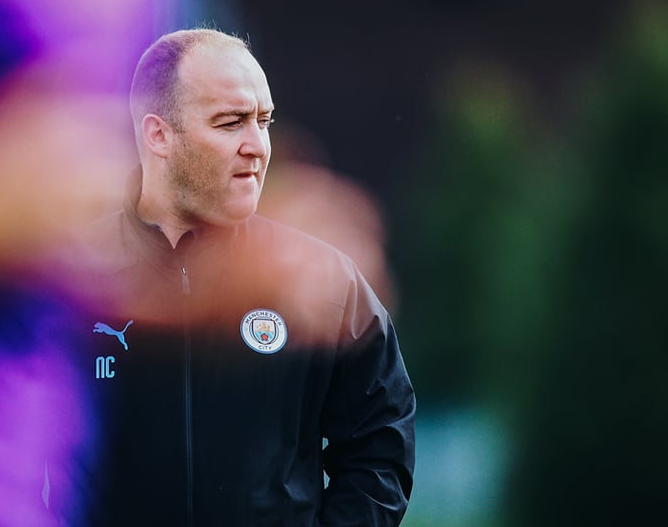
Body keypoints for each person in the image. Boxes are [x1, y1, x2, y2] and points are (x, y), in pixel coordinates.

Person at [51, 27, 416, 526]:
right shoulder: (70, 271)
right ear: (158, 135)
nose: (258, 146)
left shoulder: (319, 278)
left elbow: (380, 445)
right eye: (230, 123)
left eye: (263, 121)